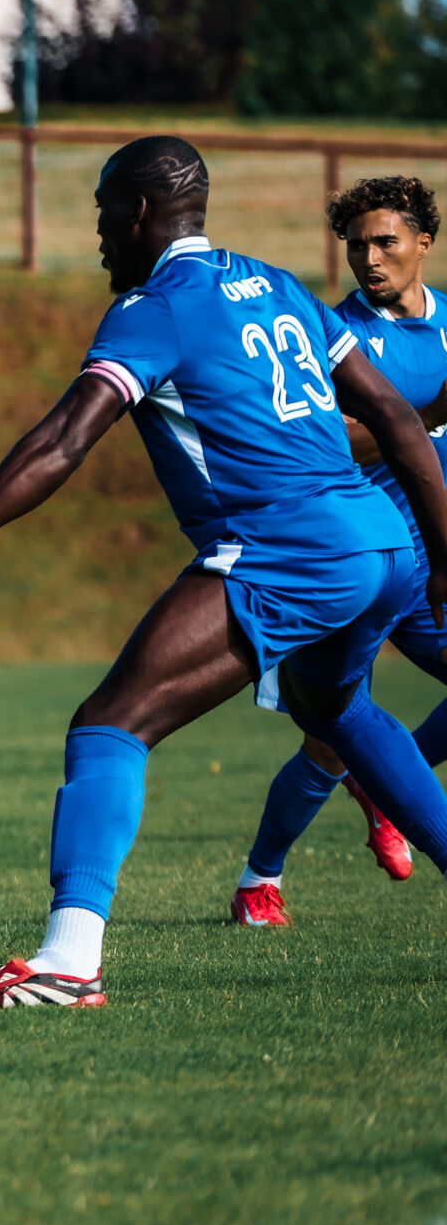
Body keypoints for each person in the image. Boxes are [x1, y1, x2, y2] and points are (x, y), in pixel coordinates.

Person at [0, 137, 447, 1008]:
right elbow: (399, 418)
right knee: (335, 709)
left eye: (104, 210)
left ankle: (69, 961)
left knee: (111, 723)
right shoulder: (278, 284)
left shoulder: (154, 307)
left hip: (287, 548)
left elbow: (62, 442)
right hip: (382, 545)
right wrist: (441, 557)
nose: (98, 232)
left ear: (137, 211)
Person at [233, 176, 444, 924]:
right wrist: (429, 413)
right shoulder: (338, 334)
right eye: (356, 246)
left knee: (346, 742)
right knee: (328, 738)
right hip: (364, 561)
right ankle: (260, 880)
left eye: (385, 242)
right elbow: (334, 442)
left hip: (434, 560)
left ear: (424, 242)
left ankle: (386, 788)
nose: (369, 258)